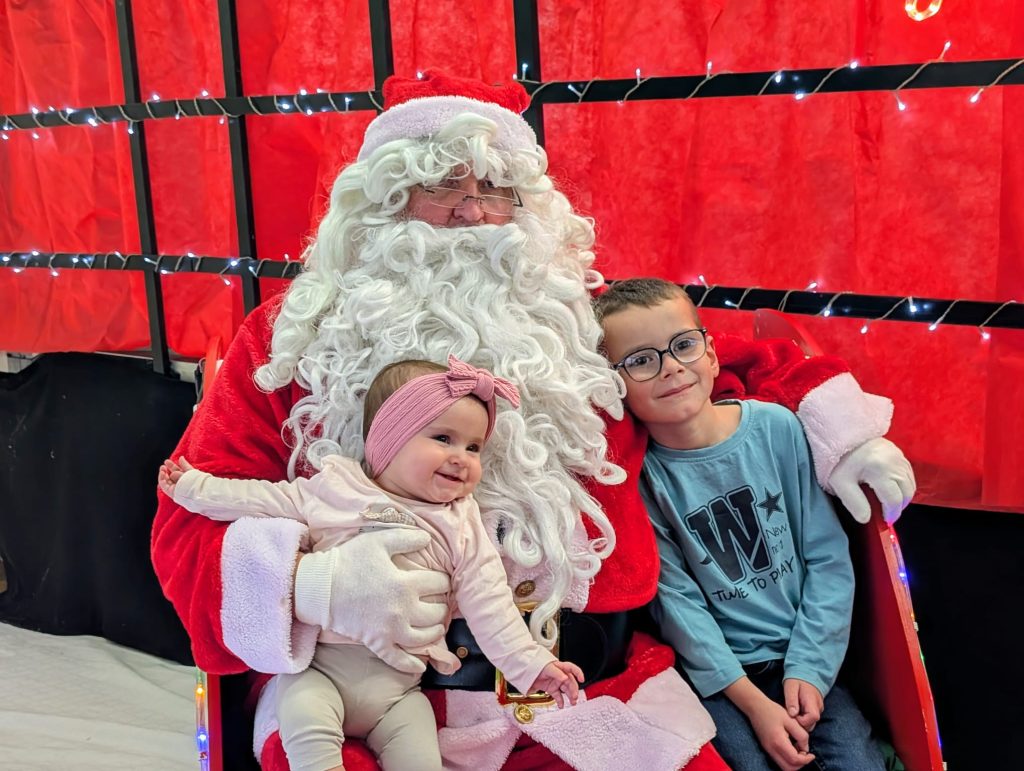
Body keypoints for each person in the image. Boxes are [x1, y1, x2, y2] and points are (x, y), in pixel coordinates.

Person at [151, 69, 916, 771]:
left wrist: (842, 431)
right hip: (368, 700)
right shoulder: (292, 338)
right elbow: (186, 526)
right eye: (442, 184)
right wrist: (316, 585)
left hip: (594, 694)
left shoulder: (577, 313)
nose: (474, 211)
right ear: (382, 203)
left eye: (497, 188)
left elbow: (721, 358)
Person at [159, 356, 583, 771]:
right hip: (320, 671)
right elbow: (260, 500)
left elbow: (492, 607)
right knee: (304, 717)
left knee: (420, 753)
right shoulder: (336, 488)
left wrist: (532, 666)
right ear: (389, 439)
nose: (463, 457)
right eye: (443, 438)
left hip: (399, 694)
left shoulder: (463, 523)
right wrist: (195, 488)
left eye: (474, 447)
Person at [595, 278, 887, 771]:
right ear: (616, 385)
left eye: (683, 345)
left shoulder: (777, 429)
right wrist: (752, 703)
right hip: (722, 679)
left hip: (806, 656)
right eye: (642, 360)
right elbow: (677, 603)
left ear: (710, 354)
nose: (671, 367)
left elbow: (828, 557)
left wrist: (810, 670)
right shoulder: (641, 479)